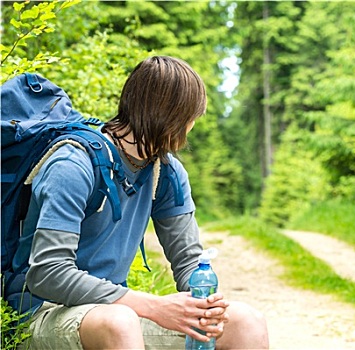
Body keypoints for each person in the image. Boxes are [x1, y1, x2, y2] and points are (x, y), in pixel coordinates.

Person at [19, 56, 269, 349]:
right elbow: (48, 274)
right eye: (190, 118)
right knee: (120, 321)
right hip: (44, 313)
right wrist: (154, 307)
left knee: (245, 322)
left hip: (116, 311)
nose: (191, 127)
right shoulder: (73, 164)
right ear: (170, 117)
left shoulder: (166, 172)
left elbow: (188, 261)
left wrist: (203, 307)